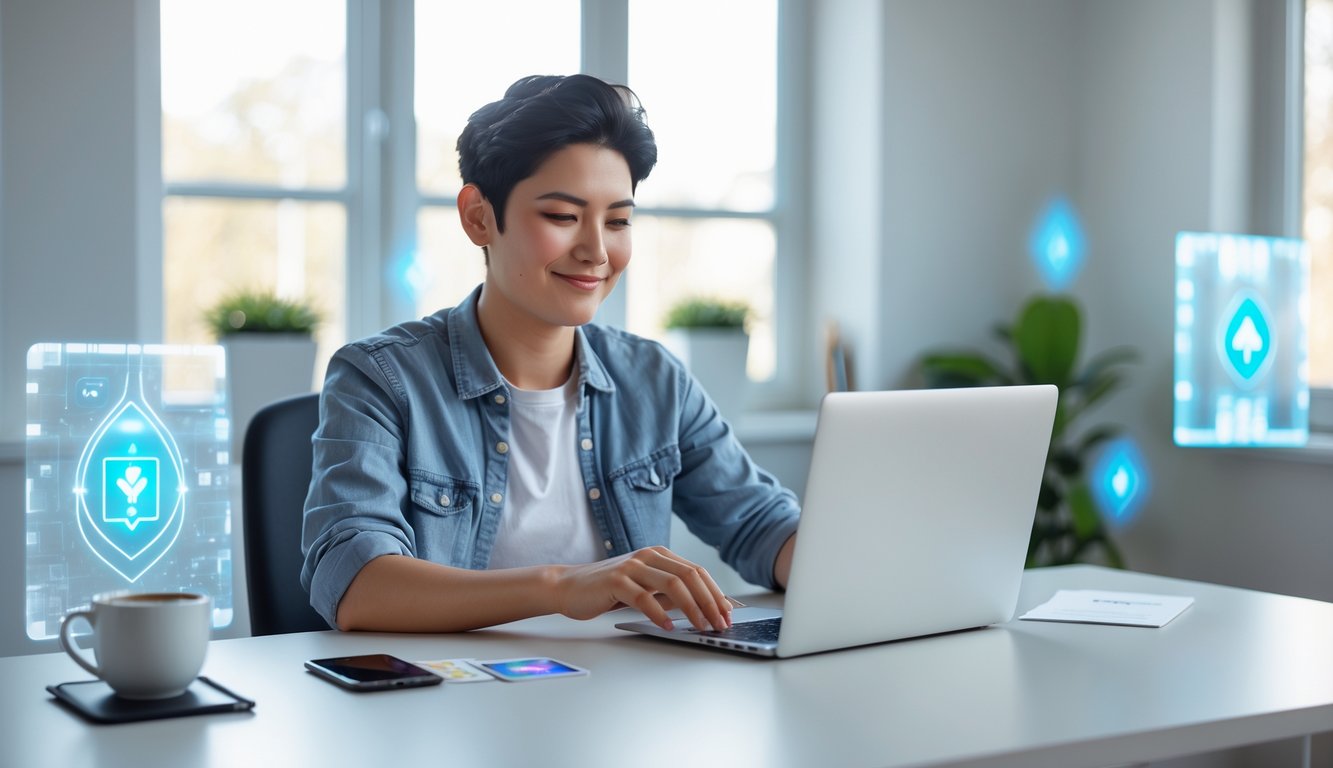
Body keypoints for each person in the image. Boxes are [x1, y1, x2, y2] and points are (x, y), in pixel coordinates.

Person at [300, 74, 800, 634]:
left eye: (617, 221)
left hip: (619, 698)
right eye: (563, 217)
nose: (595, 250)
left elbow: (762, 526)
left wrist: (858, 563)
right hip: (444, 702)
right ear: (478, 217)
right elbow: (357, 586)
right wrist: (563, 585)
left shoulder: (654, 379)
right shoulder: (380, 379)